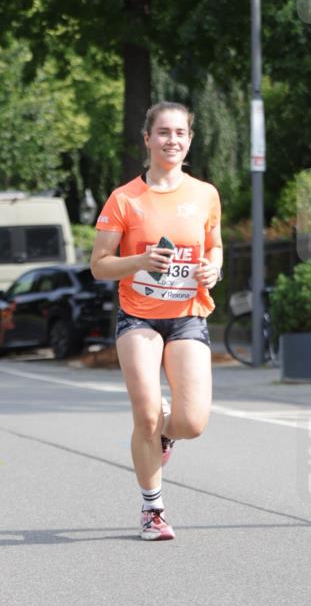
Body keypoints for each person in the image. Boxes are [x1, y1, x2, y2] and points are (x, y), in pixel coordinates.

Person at [90, 101, 223, 541]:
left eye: (181, 133)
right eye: (163, 132)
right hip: (138, 318)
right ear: (147, 139)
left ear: (190, 140)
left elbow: (215, 247)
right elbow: (99, 265)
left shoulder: (205, 194)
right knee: (145, 416)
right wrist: (139, 261)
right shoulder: (124, 199)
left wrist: (213, 269)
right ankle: (153, 509)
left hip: (187, 316)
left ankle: (166, 435)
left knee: (192, 423)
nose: (172, 140)